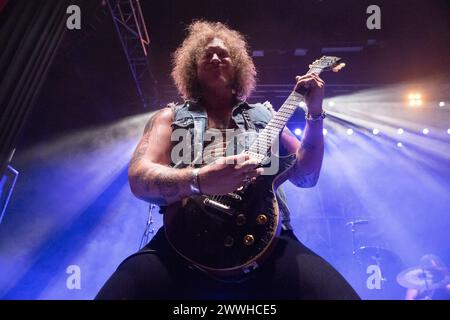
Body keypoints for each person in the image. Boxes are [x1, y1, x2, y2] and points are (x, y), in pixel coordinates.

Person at [96, 20, 360, 300]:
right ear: (191, 67)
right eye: (206, 54)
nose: (215, 57)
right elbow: (138, 178)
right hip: (184, 244)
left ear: (238, 66)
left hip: (268, 242)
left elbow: (307, 177)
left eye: (224, 54)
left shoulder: (266, 116)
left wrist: (315, 113)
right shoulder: (170, 118)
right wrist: (200, 180)